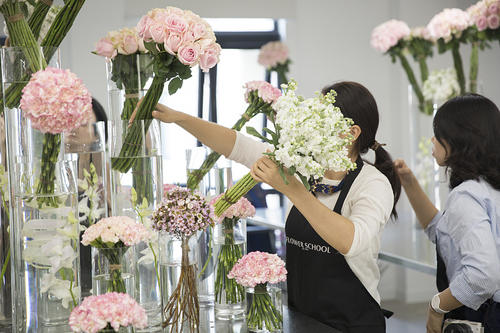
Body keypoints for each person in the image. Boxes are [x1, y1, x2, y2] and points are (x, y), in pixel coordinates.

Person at [152, 81, 401, 332]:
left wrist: (294, 190)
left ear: (351, 132)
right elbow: (236, 145)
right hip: (303, 319)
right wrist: (180, 118)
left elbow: (351, 241)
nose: (309, 124)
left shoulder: (373, 183)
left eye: (320, 118)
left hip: (352, 323)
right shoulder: (302, 163)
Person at [394, 94, 500, 333]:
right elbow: (442, 230)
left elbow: (482, 276)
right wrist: (408, 181)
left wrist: (436, 306)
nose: (432, 139)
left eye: (438, 133)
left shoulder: (467, 195)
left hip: (485, 316)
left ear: (458, 139)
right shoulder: (487, 188)